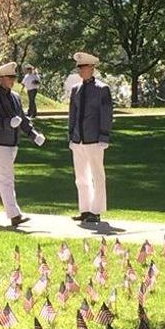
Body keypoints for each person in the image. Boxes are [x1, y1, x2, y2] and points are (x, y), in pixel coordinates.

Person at [0, 61, 46, 228]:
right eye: (10, 77)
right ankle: (14, 215)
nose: (13, 80)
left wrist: (33, 135)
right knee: (7, 178)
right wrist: (8, 123)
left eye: (14, 77)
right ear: (0, 78)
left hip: (13, 143)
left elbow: (22, 119)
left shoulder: (15, 97)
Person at [67, 51, 113, 224]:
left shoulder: (102, 89)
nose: (80, 71)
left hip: (94, 138)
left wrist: (104, 136)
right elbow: (73, 114)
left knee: (97, 175)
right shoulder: (76, 89)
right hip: (79, 139)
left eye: (83, 67)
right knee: (81, 177)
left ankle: (96, 210)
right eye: (79, 68)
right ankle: (85, 209)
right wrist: (71, 136)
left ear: (92, 68)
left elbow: (106, 114)